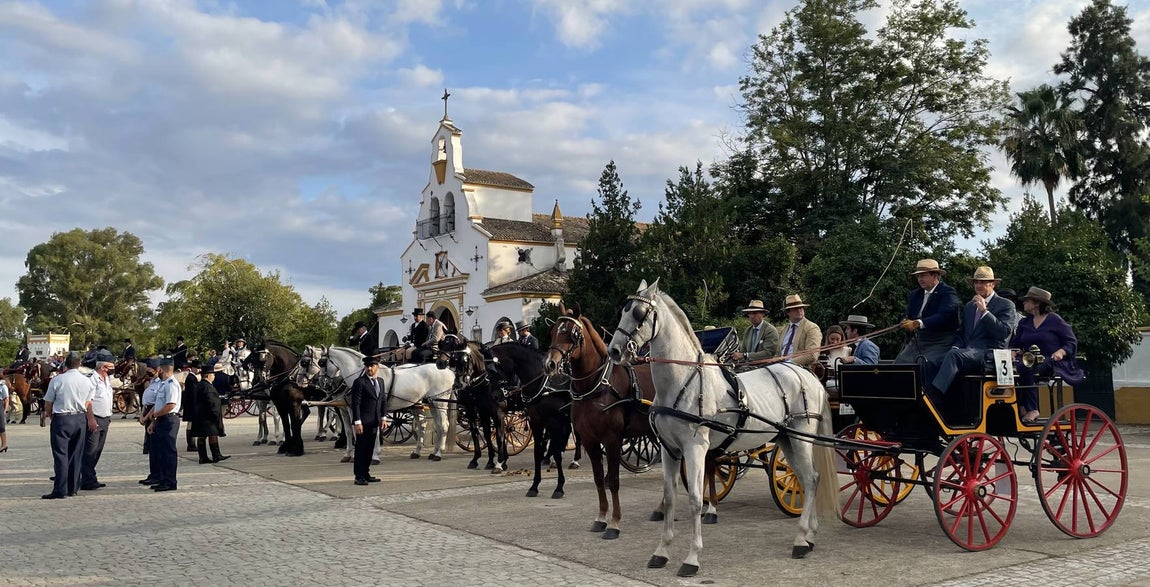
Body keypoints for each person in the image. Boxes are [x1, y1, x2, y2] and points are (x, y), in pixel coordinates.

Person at [930, 266, 1018, 399]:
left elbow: (1003, 333)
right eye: (976, 282)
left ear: (992, 284)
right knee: (933, 360)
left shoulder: (1005, 305)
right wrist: (955, 346)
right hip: (968, 351)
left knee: (954, 356)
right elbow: (962, 332)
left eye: (983, 282)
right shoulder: (970, 306)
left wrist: (985, 312)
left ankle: (933, 396)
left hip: (990, 353)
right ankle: (940, 400)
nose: (978, 285)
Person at [1010, 287, 1085, 423]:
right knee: (1014, 368)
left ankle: (1032, 409)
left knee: (1027, 367)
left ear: (1037, 303)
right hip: (1027, 358)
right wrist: (1014, 351)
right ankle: (1018, 406)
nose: (1024, 303)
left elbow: (1071, 341)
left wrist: (1061, 352)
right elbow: (1016, 344)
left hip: (1049, 359)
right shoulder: (1024, 322)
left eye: (1027, 300)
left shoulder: (1054, 320)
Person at [40, 355, 92, 499]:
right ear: (79, 364)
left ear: (65, 365)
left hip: (62, 418)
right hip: (80, 417)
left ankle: (60, 489)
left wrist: (52, 416)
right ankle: (73, 488)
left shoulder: (57, 380)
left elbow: (48, 403)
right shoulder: (86, 381)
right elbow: (88, 402)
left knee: (61, 455)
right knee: (76, 454)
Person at [895, 259, 960, 371]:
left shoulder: (948, 292)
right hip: (920, 339)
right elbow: (908, 314)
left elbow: (944, 316)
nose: (920, 279)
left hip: (942, 340)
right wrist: (905, 321)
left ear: (934, 275)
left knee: (924, 363)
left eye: (923, 276)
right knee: (899, 363)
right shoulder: (915, 294)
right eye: (918, 276)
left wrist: (918, 323)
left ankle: (924, 389)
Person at [349, 356, 388, 485]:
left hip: (374, 421)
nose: (369, 368)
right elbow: (356, 404)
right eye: (367, 366)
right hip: (363, 422)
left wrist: (383, 417)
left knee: (370, 448)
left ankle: (366, 473)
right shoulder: (360, 382)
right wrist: (357, 422)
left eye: (372, 366)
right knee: (361, 449)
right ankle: (359, 476)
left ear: (377, 367)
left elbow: (383, 401)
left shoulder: (380, 382)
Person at [143, 360, 181, 491]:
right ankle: (163, 479)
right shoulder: (163, 384)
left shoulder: (171, 384)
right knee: (161, 452)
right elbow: (159, 404)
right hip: (161, 419)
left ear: (161, 370)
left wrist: (155, 416)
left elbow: (171, 405)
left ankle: (170, 482)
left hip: (169, 420)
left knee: (168, 452)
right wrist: (153, 421)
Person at [80, 359, 115, 490]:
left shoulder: (106, 379)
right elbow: (87, 401)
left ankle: (89, 476)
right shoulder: (91, 379)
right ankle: (87, 480)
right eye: (111, 365)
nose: (113, 368)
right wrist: (91, 419)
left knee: (97, 451)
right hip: (95, 418)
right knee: (90, 450)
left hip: (105, 418)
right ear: (103, 366)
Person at [194, 363, 230, 464]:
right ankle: (216, 455)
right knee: (212, 435)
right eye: (213, 374)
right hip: (208, 416)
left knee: (201, 436)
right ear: (208, 375)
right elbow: (211, 402)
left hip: (200, 415)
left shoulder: (199, 385)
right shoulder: (208, 387)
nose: (214, 376)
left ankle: (203, 456)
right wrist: (216, 414)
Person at [776, 294, 822, 368]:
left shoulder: (812, 328)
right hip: (781, 367)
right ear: (788, 312)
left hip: (800, 370)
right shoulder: (783, 330)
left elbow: (812, 355)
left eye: (801, 308)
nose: (799, 310)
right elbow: (778, 353)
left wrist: (789, 363)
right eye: (795, 308)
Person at [731, 299, 779, 364]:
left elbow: (768, 353)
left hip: (765, 366)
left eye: (755, 313)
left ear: (763, 314)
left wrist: (745, 355)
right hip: (748, 366)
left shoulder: (770, 330)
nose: (752, 316)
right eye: (749, 313)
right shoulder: (748, 331)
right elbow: (743, 351)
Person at [181, 359, 201, 452]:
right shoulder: (192, 378)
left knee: (191, 424)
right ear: (193, 368)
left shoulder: (191, 378)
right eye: (197, 368)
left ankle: (191, 443)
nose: (198, 370)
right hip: (192, 405)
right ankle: (191, 444)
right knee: (191, 425)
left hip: (190, 405)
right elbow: (194, 393)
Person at [0, 375, 9, 453]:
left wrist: (5, 410)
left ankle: (4, 444)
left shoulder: (2, 386)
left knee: (1, 426)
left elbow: (6, 399)